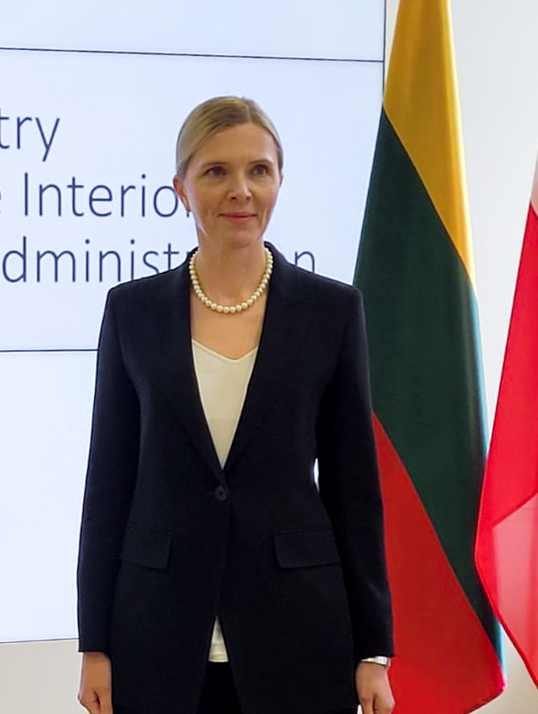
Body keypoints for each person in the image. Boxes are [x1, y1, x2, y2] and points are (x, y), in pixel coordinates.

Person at [76, 97, 395, 714]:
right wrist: (95, 643)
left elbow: (355, 491)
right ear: (181, 188)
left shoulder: (331, 312)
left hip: (300, 632)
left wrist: (374, 650)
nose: (240, 190)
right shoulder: (132, 311)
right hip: (157, 633)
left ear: (280, 182)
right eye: (216, 171)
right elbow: (108, 485)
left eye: (259, 170)